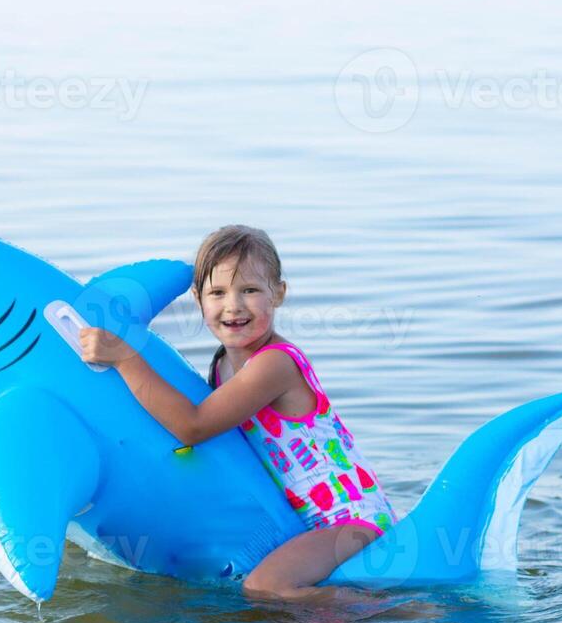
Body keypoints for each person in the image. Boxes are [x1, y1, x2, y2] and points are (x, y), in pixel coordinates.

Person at [78, 225, 397, 599]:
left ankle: (392, 615)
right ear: (198, 299)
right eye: (217, 292)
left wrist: (126, 358)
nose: (233, 306)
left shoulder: (274, 365)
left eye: (250, 290)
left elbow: (192, 426)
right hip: (297, 518)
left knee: (265, 587)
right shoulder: (221, 367)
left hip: (346, 520)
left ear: (278, 293)